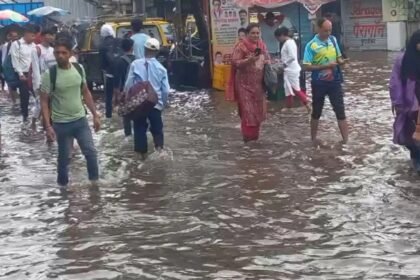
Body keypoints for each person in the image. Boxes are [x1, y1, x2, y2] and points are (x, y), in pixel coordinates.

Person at [40, 38, 101, 191]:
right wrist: (48, 126)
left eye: (63, 53)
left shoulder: (79, 69)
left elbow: (85, 92)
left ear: (70, 54)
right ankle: (62, 188)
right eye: (57, 53)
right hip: (61, 124)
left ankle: (95, 186)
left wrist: (95, 114)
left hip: (80, 120)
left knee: (91, 153)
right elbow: (44, 102)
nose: (59, 55)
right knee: (64, 158)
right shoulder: (50, 74)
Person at [303, 18, 349, 145]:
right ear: (318, 29)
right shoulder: (311, 45)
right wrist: (324, 66)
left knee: (340, 111)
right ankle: (313, 139)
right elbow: (306, 66)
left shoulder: (333, 40)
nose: (328, 33)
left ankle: (346, 142)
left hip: (335, 82)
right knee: (316, 111)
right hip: (319, 83)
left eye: (330, 30)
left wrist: (342, 62)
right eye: (325, 30)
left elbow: (338, 57)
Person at [124, 38, 170, 158]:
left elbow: (128, 84)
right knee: (157, 129)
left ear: (144, 49)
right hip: (155, 104)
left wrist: (127, 99)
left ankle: (141, 156)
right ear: (157, 52)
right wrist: (163, 104)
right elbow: (165, 90)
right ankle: (160, 151)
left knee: (139, 128)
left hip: (139, 104)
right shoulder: (162, 69)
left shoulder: (135, 64)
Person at [230, 23, 269, 142]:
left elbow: (267, 58)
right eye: (253, 33)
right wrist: (249, 60)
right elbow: (235, 62)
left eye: (257, 33)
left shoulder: (262, 45)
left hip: (258, 85)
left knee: (258, 111)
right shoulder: (241, 46)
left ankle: (255, 140)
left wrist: (266, 61)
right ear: (247, 34)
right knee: (248, 112)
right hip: (244, 85)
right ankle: (247, 140)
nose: (255, 35)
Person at [389, 30, 420, 173]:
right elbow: (395, 84)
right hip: (410, 105)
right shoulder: (403, 60)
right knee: (411, 137)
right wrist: (398, 103)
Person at [275, 27, 310, 113]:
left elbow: (292, 57)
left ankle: (307, 102)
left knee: (295, 89)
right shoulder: (290, 42)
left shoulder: (288, 43)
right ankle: (289, 107)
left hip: (291, 69)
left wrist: (284, 64)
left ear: (282, 35)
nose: (278, 40)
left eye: (278, 38)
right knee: (288, 89)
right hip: (289, 69)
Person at [10, 24, 41, 122]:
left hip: (34, 74)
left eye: (35, 36)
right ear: (26, 34)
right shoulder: (16, 44)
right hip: (23, 74)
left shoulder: (35, 46)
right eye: (32, 35)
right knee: (25, 97)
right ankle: (25, 116)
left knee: (39, 96)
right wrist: (20, 74)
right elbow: (15, 60)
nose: (34, 38)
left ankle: (38, 116)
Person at [113, 38, 136, 137]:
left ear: (122, 48)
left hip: (124, 93)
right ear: (132, 47)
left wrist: (116, 97)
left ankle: (128, 136)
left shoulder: (119, 62)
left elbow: (116, 81)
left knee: (126, 117)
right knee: (138, 117)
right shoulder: (138, 60)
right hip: (137, 92)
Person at [99, 24, 117, 119]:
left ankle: (109, 116)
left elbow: (102, 63)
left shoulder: (102, 46)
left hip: (109, 74)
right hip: (120, 73)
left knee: (108, 97)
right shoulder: (118, 41)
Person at [1, 28, 19, 100]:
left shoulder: (19, 45)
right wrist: (3, 68)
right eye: (13, 36)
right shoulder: (6, 46)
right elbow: (4, 57)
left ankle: (16, 101)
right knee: (11, 85)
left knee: (17, 85)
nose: (15, 38)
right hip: (9, 68)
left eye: (16, 36)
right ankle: (14, 101)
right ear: (10, 37)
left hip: (17, 67)